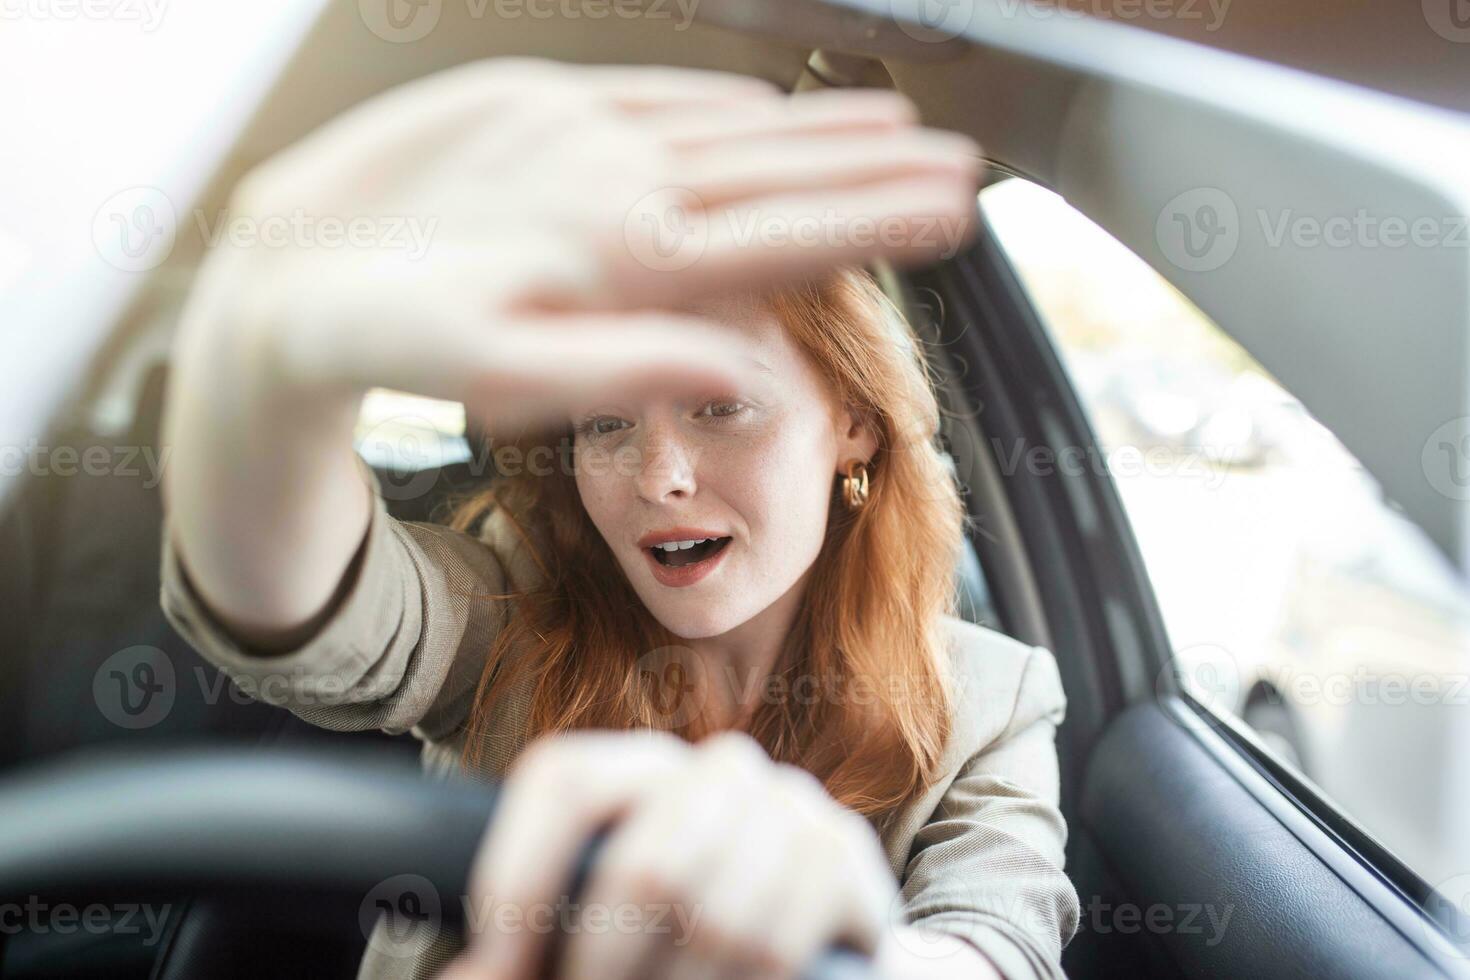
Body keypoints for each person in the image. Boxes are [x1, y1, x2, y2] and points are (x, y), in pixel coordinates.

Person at [158, 57, 1080, 980]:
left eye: (719, 405)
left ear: (856, 424)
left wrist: (855, 952)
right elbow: (303, 609)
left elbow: (997, 948)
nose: (658, 477)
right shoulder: (513, 609)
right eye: (605, 422)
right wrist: (258, 377)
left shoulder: (993, 702)